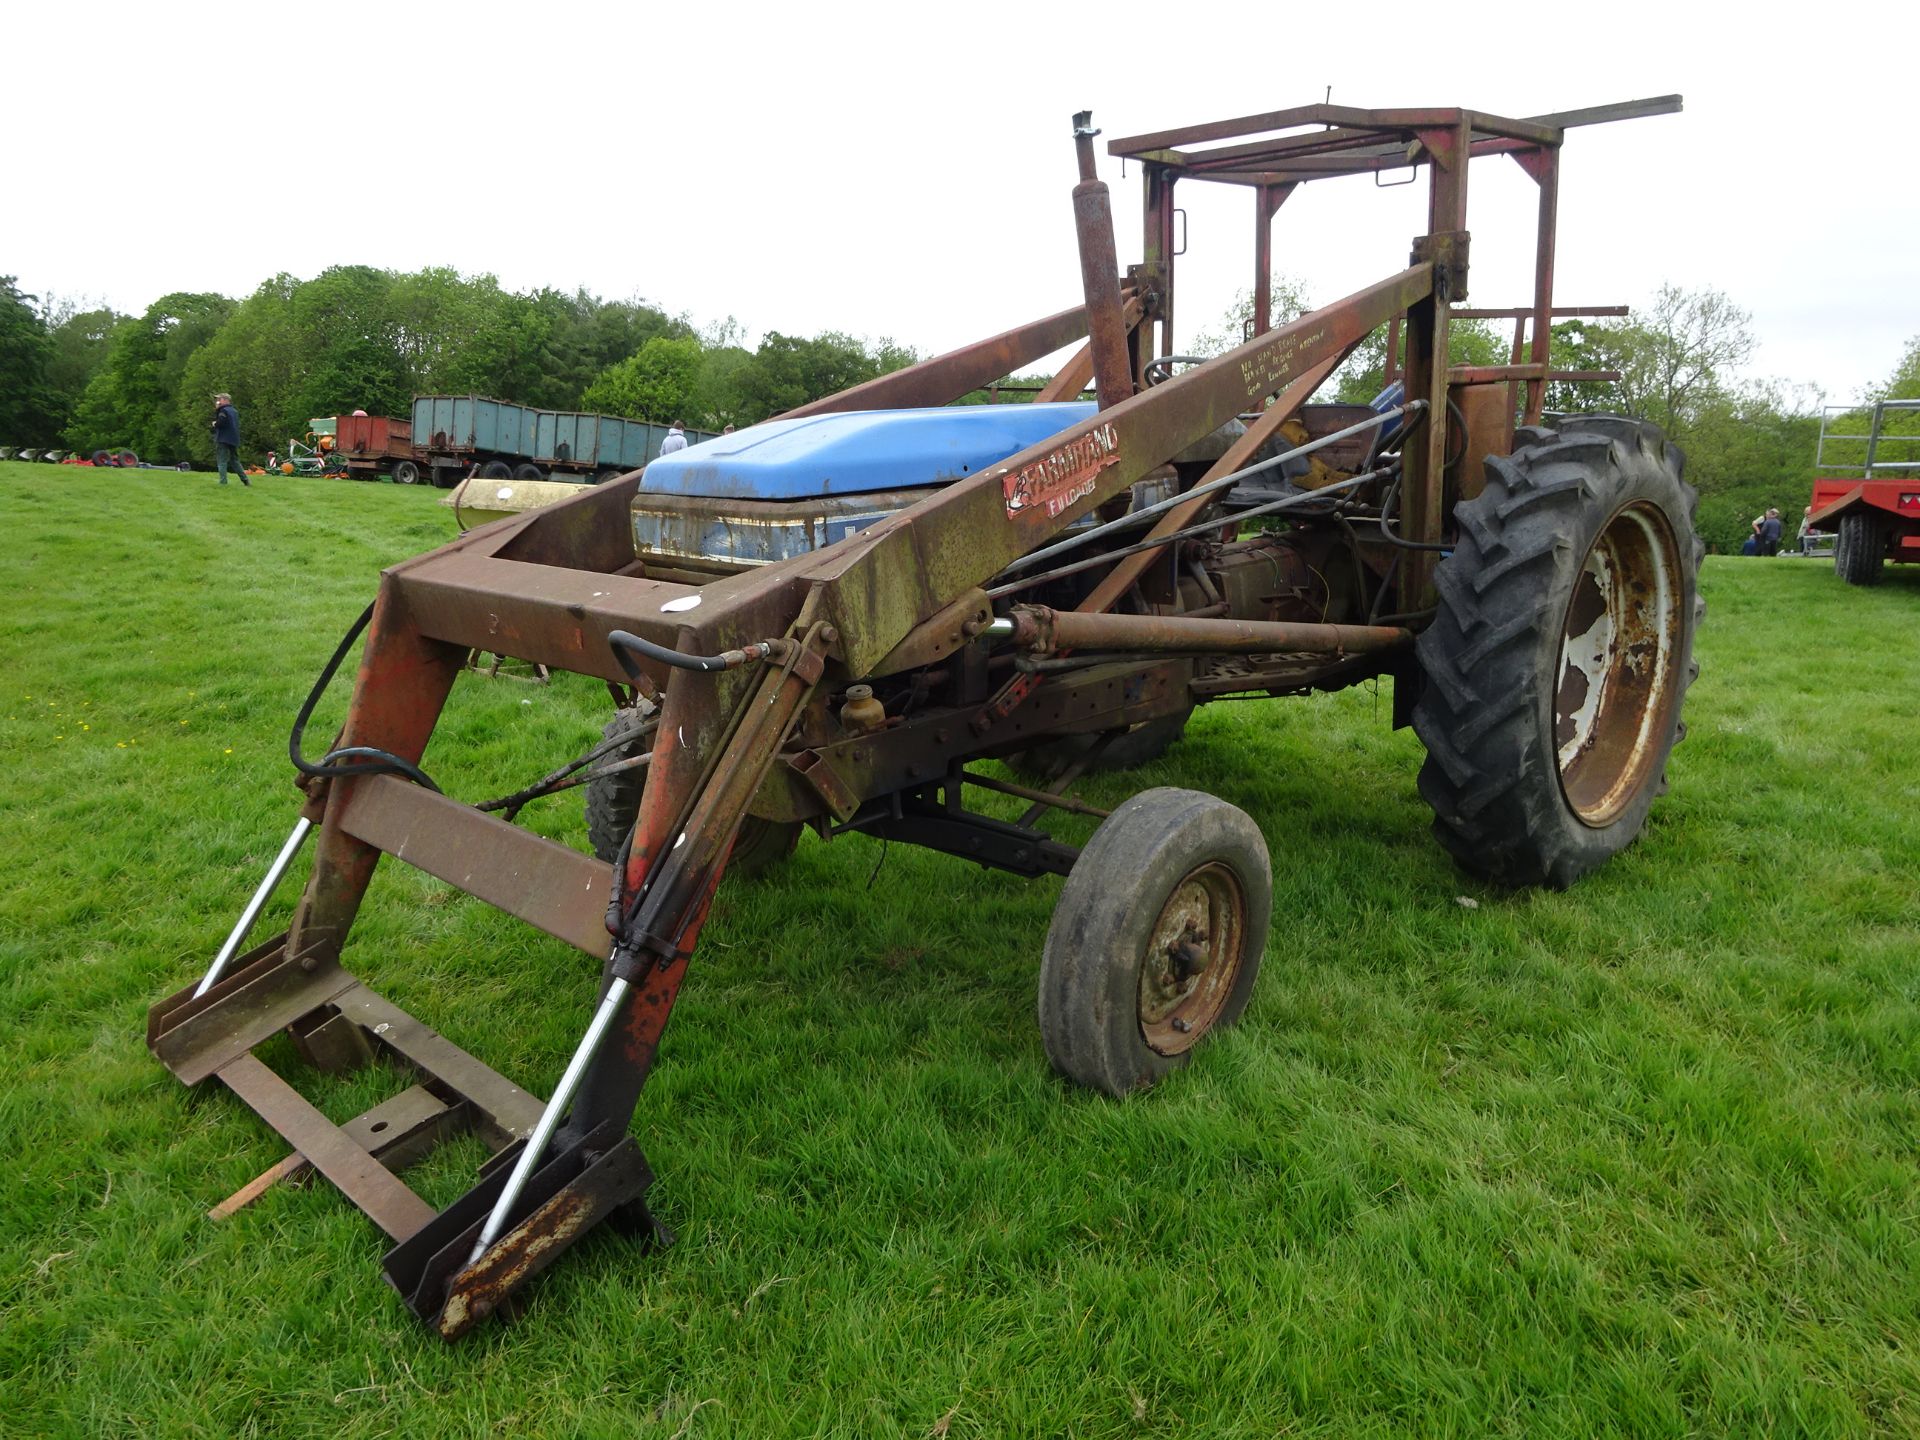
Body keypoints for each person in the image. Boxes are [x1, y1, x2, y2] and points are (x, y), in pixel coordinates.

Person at [210, 393, 249, 487]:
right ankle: (245, 480)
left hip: (223, 438)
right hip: (234, 438)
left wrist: (215, 423)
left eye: (219, 399)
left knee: (222, 460)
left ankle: (223, 482)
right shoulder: (234, 411)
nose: (217, 401)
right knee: (235, 460)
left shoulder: (223, 410)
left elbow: (221, 423)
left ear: (225, 400)